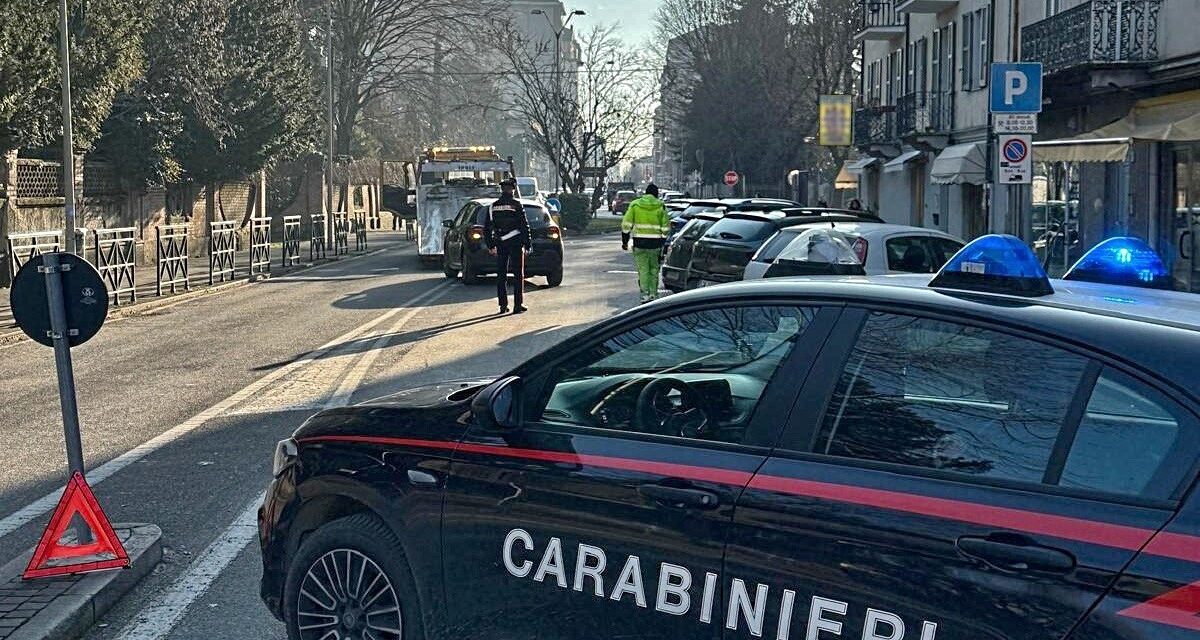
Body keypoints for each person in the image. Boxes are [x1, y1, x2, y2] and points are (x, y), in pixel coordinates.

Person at [485, 178, 531, 314]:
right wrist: (528, 244)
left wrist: (490, 245)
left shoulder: (493, 206)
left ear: (502, 190)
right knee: (518, 274)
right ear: (513, 189)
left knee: (501, 275)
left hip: (501, 243)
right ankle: (518, 305)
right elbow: (524, 225)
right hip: (516, 243)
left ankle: (503, 306)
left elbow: (487, 227)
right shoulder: (517, 205)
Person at [621, 183, 671, 303]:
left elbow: (626, 225)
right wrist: (663, 241)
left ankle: (645, 295)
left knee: (643, 269)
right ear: (656, 194)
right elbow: (665, 227)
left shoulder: (635, 205)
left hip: (640, 243)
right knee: (654, 269)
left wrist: (625, 242)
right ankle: (653, 294)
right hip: (655, 244)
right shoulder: (661, 206)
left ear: (646, 193)